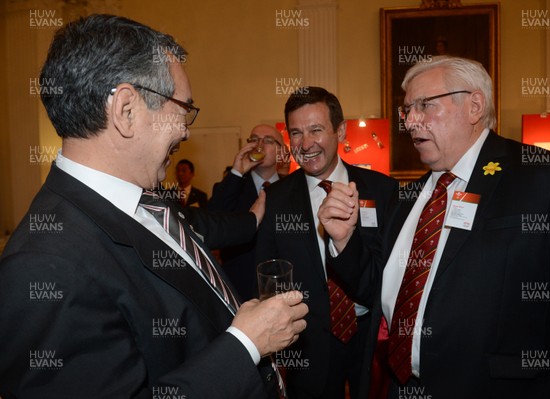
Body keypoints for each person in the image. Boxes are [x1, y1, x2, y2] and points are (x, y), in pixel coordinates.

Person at [0, 14, 308, 398]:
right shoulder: (44, 264)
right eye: (183, 108)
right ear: (127, 110)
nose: (186, 129)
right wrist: (245, 344)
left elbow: (204, 234)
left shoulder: (147, 199)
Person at [318, 56, 550, 398]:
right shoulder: (404, 198)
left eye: (424, 105)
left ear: (474, 106)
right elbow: (377, 288)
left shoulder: (543, 180)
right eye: (407, 110)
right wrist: (344, 239)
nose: (411, 122)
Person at [255, 87, 398, 399]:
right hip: (308, 342)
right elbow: (265, 273)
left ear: (341, 130)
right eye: (296, 133)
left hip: (372, 336)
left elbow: (393, 269)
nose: (306, 144)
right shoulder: (275, 199)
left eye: (316, 130)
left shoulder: (383, 191)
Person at [208, 124, 287, 300]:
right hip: (238, 288)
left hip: (284, 290)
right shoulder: (233, 186)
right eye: (254, 139)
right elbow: (212, 221)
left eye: (268, 140)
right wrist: (237, 171)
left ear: (281, 152)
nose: (259, 144)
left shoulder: (294, 189)